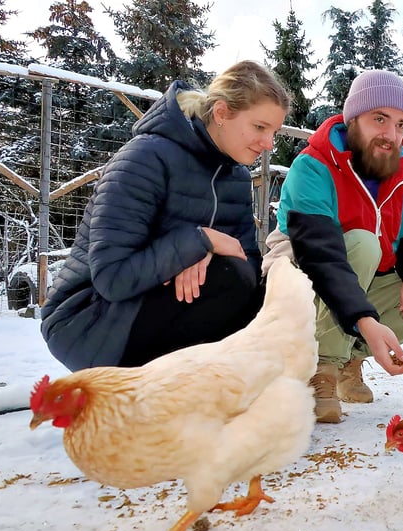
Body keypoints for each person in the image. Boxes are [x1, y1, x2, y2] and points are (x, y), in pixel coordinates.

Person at [41, 60, 291, 371]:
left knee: (278, 289)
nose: (268, 144)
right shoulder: (144, 157)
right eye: (259, 127)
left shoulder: (236, 177)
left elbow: (248, 265)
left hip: (159, 304)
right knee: (228, 276)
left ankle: (207, 388)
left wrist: (203, 255)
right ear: (223, 113)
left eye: (274, 133)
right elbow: (112, 277)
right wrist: (199, 242)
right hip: (88, 321)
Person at [262, 69, 403, 424]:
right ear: (353, 118)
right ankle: (318, 370)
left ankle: (349, 361)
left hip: (354, 291)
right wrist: (366, 320)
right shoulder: (314, 165)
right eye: (379, 119)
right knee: (363, 245)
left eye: (400, 124)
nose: (391, 135)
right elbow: (321, 255)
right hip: (300, 285)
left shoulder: (402, 172)